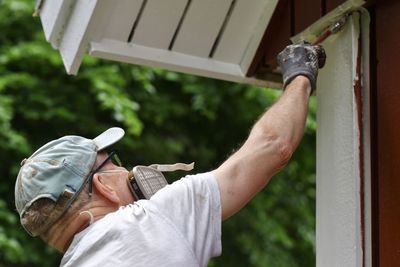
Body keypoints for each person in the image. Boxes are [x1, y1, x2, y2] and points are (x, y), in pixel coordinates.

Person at [14, 42, 326, 267]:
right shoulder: (148, 221)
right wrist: (300, 72)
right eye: (115, 164)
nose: (128, 172)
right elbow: (274, 146)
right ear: (103, 186)